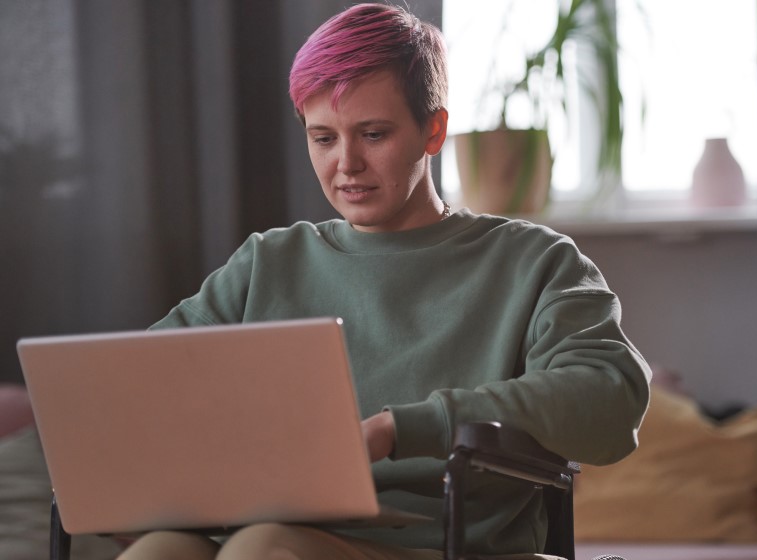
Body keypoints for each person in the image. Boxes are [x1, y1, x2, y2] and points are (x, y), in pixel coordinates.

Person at [118, 3, 650, 559]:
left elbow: (610, 396)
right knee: (161, 551)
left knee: (264, 547)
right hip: (266, 525)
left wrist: (406, 428)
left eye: (372, 134)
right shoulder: (267, 262)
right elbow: (137, 384)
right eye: (323, 138)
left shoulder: (532, 261)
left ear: (433, 130)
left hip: (439, 546)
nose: (346, 163)